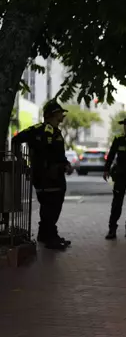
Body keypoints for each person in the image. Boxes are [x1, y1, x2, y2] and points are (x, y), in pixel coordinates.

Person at [11, 100, 74, 250]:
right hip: (44, 176)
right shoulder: (37, 130)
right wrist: (23, 163)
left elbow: (58, 154)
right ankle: (49, 238)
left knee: (55, 205)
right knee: (49, 206)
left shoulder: (56, 131)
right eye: (60, 113)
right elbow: (15, 141)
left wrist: (66, 164)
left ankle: (47, 234)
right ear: (52, 114)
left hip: (57, 175)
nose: (62, 116)